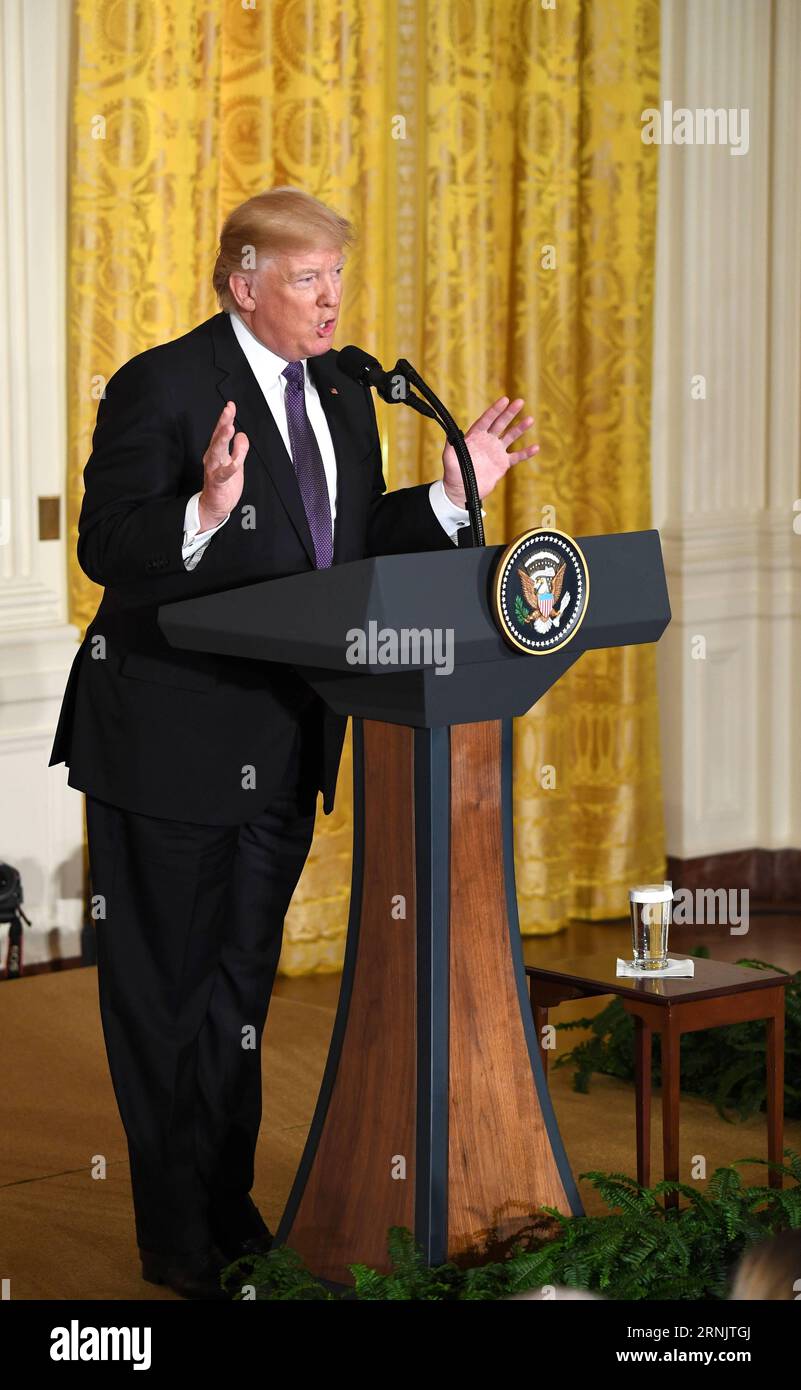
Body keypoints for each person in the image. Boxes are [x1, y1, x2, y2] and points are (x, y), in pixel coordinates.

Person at [50, 186, 539, 1299]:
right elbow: (107, 545)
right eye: (309, 278)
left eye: (336, 277)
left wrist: (452, 495)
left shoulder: (342, 393)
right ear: (244, 282)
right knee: (165, 1002)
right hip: (166, 743)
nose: (331, 301)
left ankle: (230, 1216)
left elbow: (351, 553)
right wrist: (208, 510)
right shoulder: (163, 384)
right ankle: (178, 1241)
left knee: (236, 1003)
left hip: (283, 739)